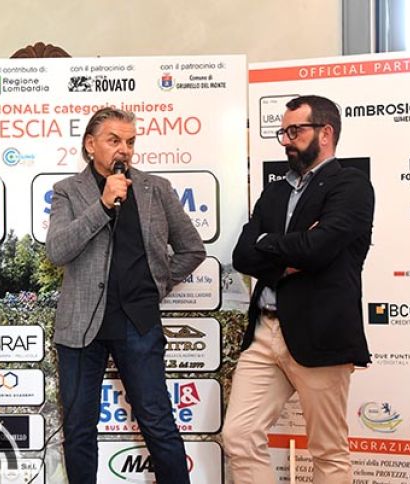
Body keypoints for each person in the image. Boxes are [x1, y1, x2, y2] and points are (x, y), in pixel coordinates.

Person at [46, 107, 206, 483]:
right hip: (81, 326)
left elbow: (192, 249)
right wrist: (102, 205)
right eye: (114, 140)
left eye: (130, 142)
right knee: (79, 429)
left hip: (138, 321)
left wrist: (156, 284)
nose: (124, 150)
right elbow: (57, 250)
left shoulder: (155, 189)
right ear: (90, 145)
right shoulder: (68, 191)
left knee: (158, 423)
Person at [222, 95, 374, 484]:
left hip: (320, 332)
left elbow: (318, 249)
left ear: (325, 132)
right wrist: (290, 250)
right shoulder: (274, 192)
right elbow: (243, 255)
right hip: (265, 333)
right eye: (283, 132)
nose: (286, 140)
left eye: (295, 131)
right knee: (238, 435)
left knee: (328, 450)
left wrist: (270, 245)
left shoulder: (351, 185)